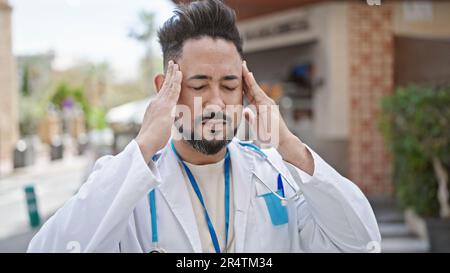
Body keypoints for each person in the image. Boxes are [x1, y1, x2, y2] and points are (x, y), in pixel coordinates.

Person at [28, 0, 380, 253]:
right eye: (198, 86)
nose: (215, 102)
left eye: (229, 86)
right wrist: (143, 147)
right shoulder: (123, 182)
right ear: (164, 88)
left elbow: (361, 244)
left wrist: (288, 145)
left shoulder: (277, 176)